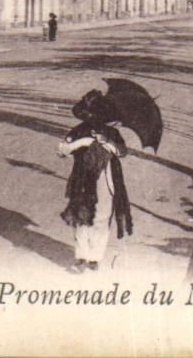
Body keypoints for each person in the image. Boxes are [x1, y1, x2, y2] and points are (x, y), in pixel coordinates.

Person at [58, 90, 133, 272]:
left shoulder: (111, 132)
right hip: (83, 180)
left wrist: (106, 142)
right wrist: (79, 144)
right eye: (88, 114)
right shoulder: (79, 130)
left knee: (101, 218)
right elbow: (62, 150)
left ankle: (95, 257)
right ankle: (81, 257)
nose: (92, 118)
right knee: (81, 217)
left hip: (105, 181)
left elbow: (122, 151)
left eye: (96, 115)